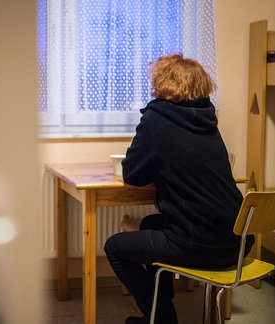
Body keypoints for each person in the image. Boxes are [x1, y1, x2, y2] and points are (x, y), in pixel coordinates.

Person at [104, 53, 253, 324]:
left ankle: (162, 319)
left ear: (163, 84)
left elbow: (132, 175)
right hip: (239, 241)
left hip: (201, 244)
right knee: (150, 223)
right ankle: (158, 317)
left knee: (114, 247)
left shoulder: (157, 119)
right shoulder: (208, 120)